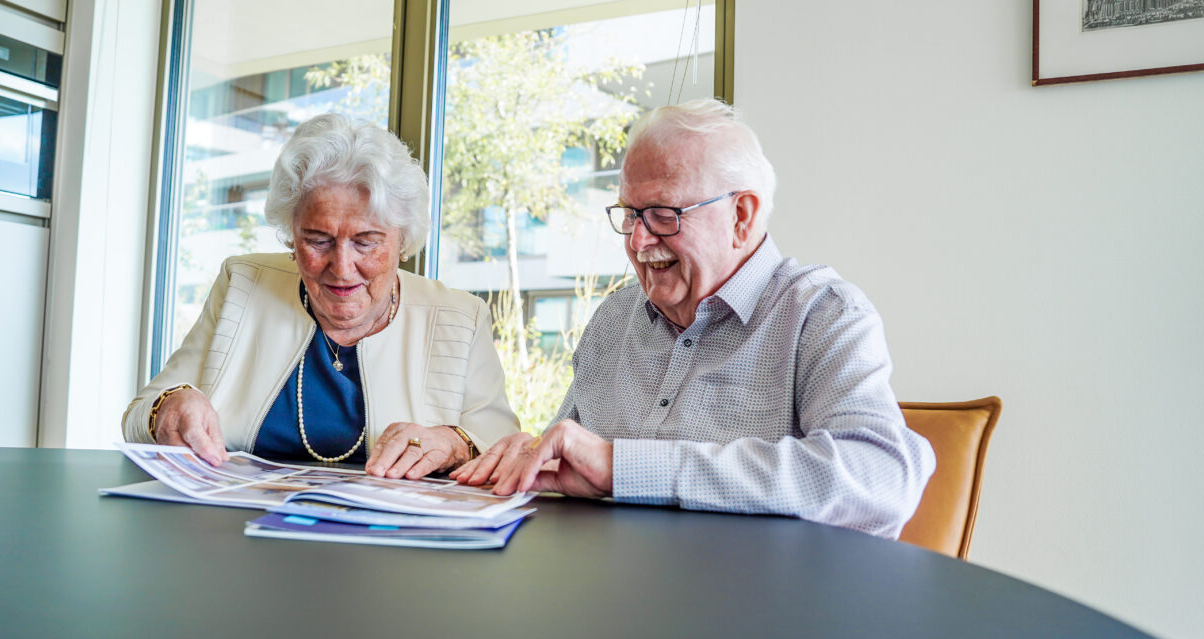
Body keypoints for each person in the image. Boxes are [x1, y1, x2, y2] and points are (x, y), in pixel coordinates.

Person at [452, 100, 935, 538]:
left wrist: (624, 466)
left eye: (663, 214)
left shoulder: (822, 313)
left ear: (741, 216)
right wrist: (508, 457)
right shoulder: (615, 318)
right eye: (630, 214)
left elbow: (881, 474)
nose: (638, 242)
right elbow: (569, 467)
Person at [123, 113, 519, 480]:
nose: (342, 267)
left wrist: (454, 444)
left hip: (392, 545)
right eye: (318, 240)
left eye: (366, 242)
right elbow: (140, 415)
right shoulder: (243, 284)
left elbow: (505, 447)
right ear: (291, 235)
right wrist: (169, 409)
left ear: (402, 241)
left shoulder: (459, 317)